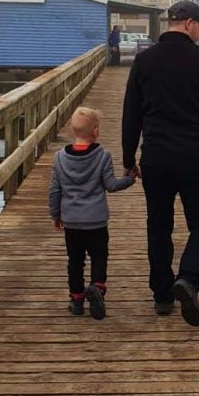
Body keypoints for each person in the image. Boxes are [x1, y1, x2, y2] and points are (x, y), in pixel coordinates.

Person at [122, 0, 199, 327]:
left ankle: (162, 295)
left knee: (159, 225)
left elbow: (131, 114)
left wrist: (129, 159)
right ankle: (189, 279)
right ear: (188, 23)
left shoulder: (144, 61)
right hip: (197, 158)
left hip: (157, 158)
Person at [49, 107, 136, 319]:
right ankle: (97, 287)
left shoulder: (59, 158)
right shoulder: (102, 155)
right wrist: (131, 178)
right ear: (96, 131)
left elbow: (55, 189)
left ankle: (77, 299)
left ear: (71, 129)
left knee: (75, 260)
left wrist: (55, 214)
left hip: (71, 220)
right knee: (99, 256)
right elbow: (111, 185)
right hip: (96, 220)